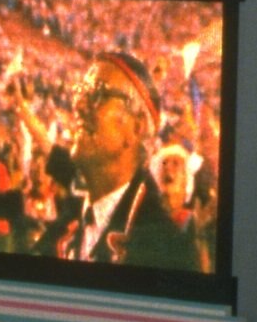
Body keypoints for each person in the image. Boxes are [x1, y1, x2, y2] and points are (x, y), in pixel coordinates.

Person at [34, 54, 201, 270]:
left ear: (136, 127)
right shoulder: (65, 226)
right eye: (82, 93)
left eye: (98, 94)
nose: (79, 106)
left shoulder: (165, 250)